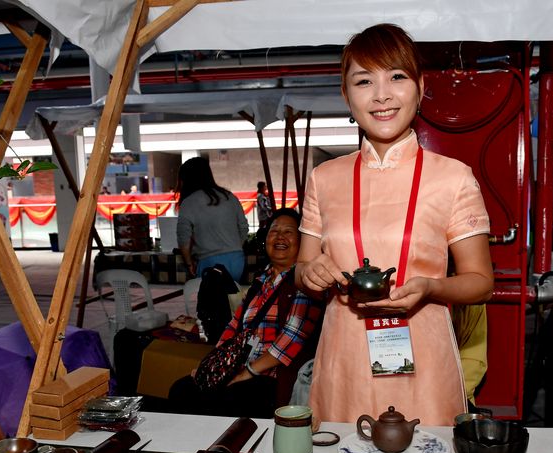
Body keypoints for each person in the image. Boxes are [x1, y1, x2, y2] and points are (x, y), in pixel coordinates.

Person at [295, 24, 494, 426]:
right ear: (346, 95)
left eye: (397, 77)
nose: (381, 95)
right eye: (364, 81)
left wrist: (431, 287)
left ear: (420, 87)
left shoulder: (453, 177)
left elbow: (481, 282)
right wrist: (309, 273)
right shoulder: (323, 178)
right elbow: (301, 269)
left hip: (424, 353)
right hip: (343, 357)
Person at [168, 208, 324, 417]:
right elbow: (234, 326)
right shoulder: (260, 282)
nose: (280, 236)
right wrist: (211, 367)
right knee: (182, 390)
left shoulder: (305, 282)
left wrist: (248, 372)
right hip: (242, 368)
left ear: (303, 242)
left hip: (274, 378)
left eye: (288, 232)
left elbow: (291, 339)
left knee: (224, 400)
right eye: (274, 231)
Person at [175, 156, 249, 281]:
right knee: (232, 293)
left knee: (210, 294)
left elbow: (183, 238)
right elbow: (243, 228)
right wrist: (235, 248)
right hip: (237, 260)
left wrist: (189, 263)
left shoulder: (188, 202)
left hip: (209, 262)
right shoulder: (229, 197)